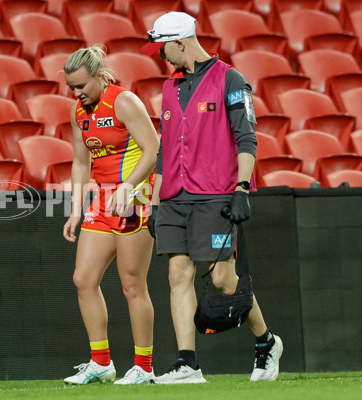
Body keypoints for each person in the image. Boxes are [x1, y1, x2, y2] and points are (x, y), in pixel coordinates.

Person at [141, 12, 283, 383]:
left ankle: (266, 341)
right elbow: (164, 149)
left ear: (180, 42)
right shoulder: (169, 87)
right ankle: (187, 363)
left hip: (215, 194)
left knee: (222, 280)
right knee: (178, 274)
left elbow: (247, 137)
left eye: (162, 46)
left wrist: (242, 189)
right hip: (174, 195)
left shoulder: (230, 79)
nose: (160, 54)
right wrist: (156, 203)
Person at [62, 44, 160, 385]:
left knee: (133, 285)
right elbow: (79, 161)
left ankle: (144, 367)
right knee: (83, 279)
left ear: (100, 76)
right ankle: (101, 362)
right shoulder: (79, 112)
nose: (77, 93)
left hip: (135, 198)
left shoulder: (124, 101)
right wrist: (75, 209)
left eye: (82, 86)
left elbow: (152, 148)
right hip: (101, 201)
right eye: (71, 88)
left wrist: (130, 186)